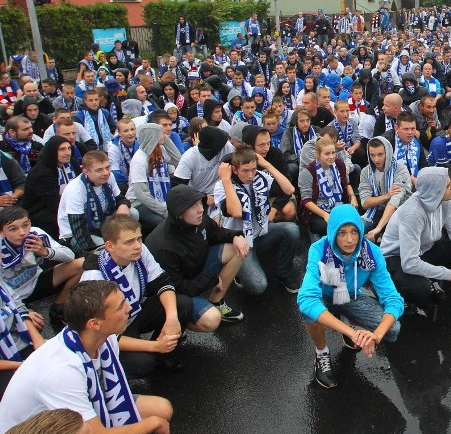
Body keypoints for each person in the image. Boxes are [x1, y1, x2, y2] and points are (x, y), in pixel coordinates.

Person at [0, 280, 173, 434]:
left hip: (73, 409)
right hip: (34, 432)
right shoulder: (63, 371)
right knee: (153, 421)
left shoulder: (97, 336)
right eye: (120, 307)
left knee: (162, 409)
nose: (129, 308)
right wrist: (150, 425)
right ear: (94, 324)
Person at [297, 204, 403, 389]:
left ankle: (345, 318)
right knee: (309, 312)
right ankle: (322, 352)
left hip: (350, 297)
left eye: (355, 231)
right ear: (332, 232)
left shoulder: (372, 253)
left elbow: (393, 299)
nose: (350, 239)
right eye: (342, 233)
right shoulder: (318, 249)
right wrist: (353, 334)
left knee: (392, 328)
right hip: (323, 297)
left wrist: (375, 336)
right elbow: (307, 299)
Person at [79, 215, 189, 378]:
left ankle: (162, 355)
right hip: (110, 331)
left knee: (182, 304)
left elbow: (162, 282)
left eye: (139, 239)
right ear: (110, 246)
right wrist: (154, 346)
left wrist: (172, 318)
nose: (137, 246)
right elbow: (105, 335)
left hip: (132, 313)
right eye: (129, 242)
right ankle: (104, 379)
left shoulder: (139, 250)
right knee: (143, 364)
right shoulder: (94, 278)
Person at [380, 167, 451, 308]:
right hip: (396, 258)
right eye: (448, 185)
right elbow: (409, 263)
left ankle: (444, 275)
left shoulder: (445, 201)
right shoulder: (413, 215)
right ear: (436, 191)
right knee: (421, 290)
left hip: (424, 249)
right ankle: (398, 293)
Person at [147, 185, 247, 327]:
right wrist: (211, 280)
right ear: (179, 213)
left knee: (237, 247)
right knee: (212, 320)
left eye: (200, 202)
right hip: (176, 292)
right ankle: (179, 320)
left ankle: (216, 302)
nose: (201, 209)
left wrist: (236, 235)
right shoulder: (164, 246)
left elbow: (217, 234)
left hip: (195, 271)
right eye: (193, 206)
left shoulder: (199, 219)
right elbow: (176, 287)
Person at [215, 145, 301, 294]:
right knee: (259, 286)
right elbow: (236, 212)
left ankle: (283, 274)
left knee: (292, 229)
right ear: (234, 170)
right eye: (245, 171)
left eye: (253, 169)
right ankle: (238, 271)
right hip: (239, 240)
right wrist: (226, 180)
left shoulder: (259, 177)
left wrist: (266, 164)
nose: (250, 175)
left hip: (260, 233)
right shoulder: (222, 186)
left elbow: (289, 189)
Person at [0, 206, 82, 325]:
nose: (22, 232)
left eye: (25, 225)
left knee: (82, 264)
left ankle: (59, 305)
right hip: (13, 296)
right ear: (2, 232)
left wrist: (44, 251)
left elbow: (70, 256)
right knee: (35, 324)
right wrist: (21, 311)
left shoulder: (36, 233)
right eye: (13, 229)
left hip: (36, 281)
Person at [57, 150, 133, 256]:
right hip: (76, 234)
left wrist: (123, 205)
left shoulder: (109, 177)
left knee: (133, 213)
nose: (105, 173)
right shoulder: (76, 190)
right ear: (86, 171)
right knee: (112, 251)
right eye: (99, 170)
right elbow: (78, 230)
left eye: (107, 167)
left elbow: (120, 198)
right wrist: (93, 253)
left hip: (102, 223)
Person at [20, 136, 79, 238]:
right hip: (40, 211)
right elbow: (53, 203)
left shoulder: (71, 163)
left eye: (69, 148)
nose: (67, 152)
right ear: (52, 151)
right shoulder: (42, 172)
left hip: (65, 204)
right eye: (62, 149)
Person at [299, 136, 357, 238]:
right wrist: (325, 215)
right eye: (327, 154)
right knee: (331, 226)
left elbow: (346, 183)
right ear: (317, 154)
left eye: (333, 153)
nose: (331, 157)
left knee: (354, 220)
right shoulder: (308, 171)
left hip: (338, 204)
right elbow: (306, 201)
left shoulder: (339, 164)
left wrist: (352, 197)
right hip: (318, 210)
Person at [359, 137, 412, 242]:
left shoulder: (400, 169)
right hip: (377, 209)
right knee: (358, 227)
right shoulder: (366, 172)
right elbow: (365, 202)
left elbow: (395, 201)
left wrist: (378, 228)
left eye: (380, 154)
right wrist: (386, 196)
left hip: (401, 210)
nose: (376, 159)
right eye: (372, 155)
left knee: (390, 233)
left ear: (387, 153)